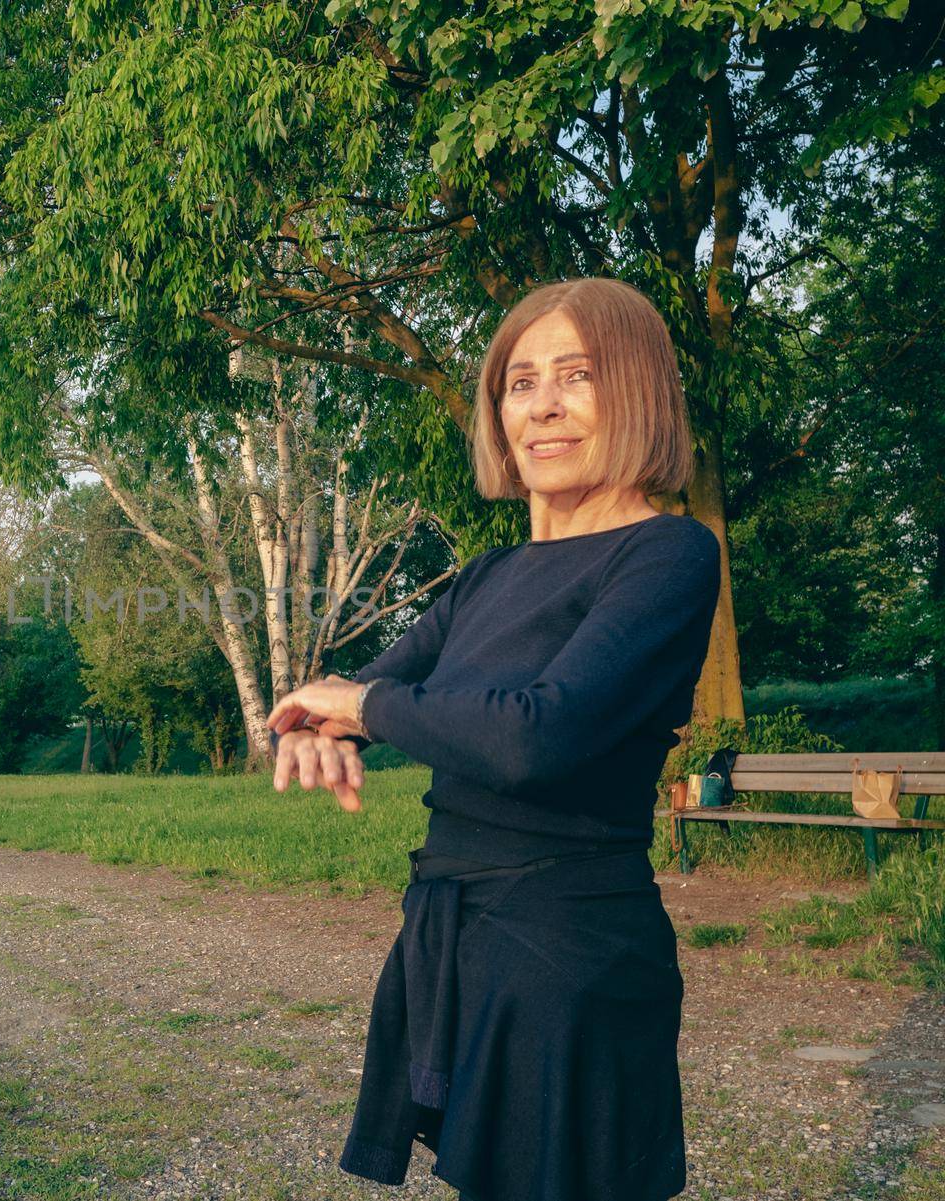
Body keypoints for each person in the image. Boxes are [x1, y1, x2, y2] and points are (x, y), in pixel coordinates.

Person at [266, 277, 721, 1201]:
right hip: (452, 944)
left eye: (577, 375)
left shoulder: (667, 554)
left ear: (636, 393)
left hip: (571, 955)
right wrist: (319, 718)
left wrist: (361, 711)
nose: (543, 405)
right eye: (520, 382)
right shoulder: (488, 575)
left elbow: (535, 735)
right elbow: (360, 691)